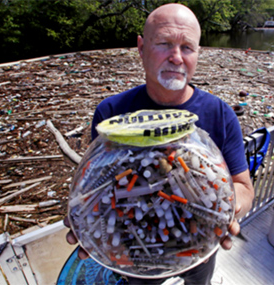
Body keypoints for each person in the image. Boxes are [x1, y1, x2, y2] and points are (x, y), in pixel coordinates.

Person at [64, 3, 254, 284]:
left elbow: (244, 187)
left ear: (198, 53)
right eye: (164, 43)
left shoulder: (221, 114)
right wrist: (87, 220)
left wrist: (225, 209)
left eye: (187, 47)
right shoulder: (111, 113)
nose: (176, 57)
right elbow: (96, 184)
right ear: (141, 47)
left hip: (199, 243)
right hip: (135, 251)